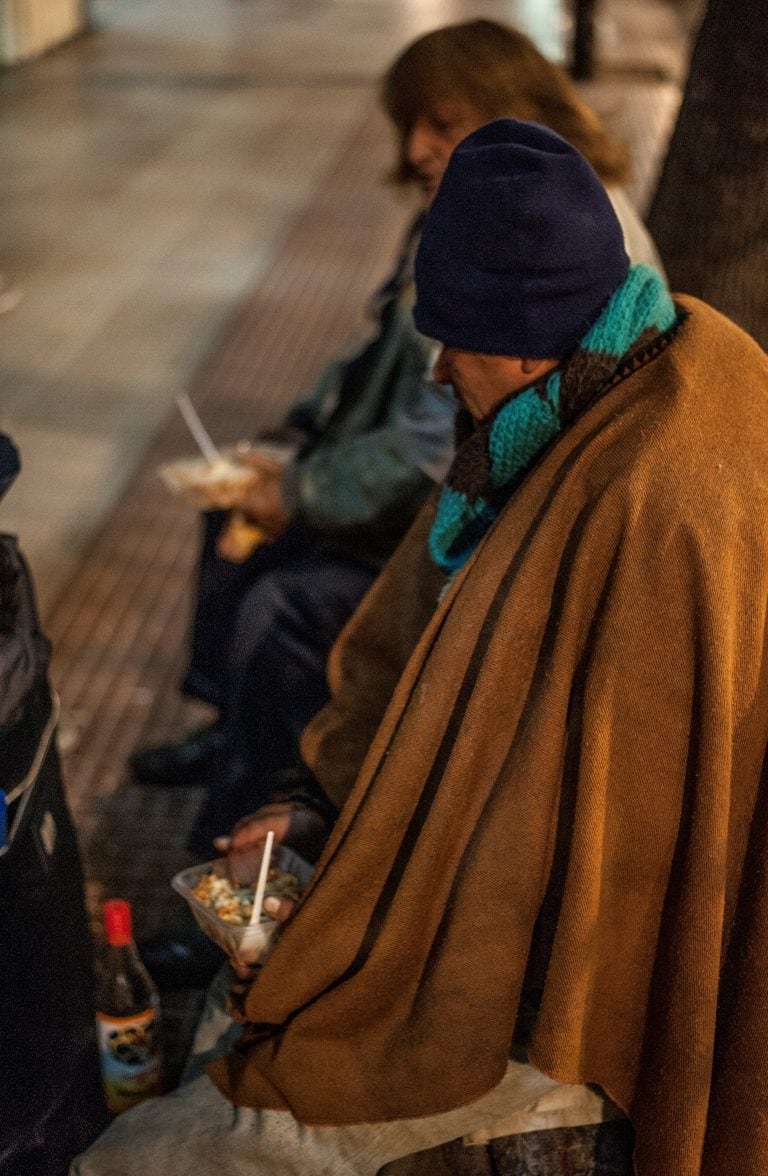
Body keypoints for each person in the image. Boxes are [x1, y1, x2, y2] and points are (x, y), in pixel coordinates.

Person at [73, 120, 768, 1175]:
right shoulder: (574, 394)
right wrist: (309, 806)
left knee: (152, 1155)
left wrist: (360, 928)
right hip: (508, 904)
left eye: (454, 342)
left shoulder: (660, 495)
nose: (440, 370)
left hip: (571, 984)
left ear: (528, 338)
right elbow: (421, 660)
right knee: (259, 988)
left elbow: (567, 859)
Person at [130, 18, 659, 860]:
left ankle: (249, 842)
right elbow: (389, 352)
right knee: (240, 501)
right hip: (431, 504)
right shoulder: (474, 205)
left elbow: (432, 452)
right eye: (411, 123)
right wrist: (294, 437)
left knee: (288, 605)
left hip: (443, 524)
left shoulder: (543, 235)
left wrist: (300, 489)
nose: (416, 147)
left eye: (441, 123)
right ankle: (238, 731)